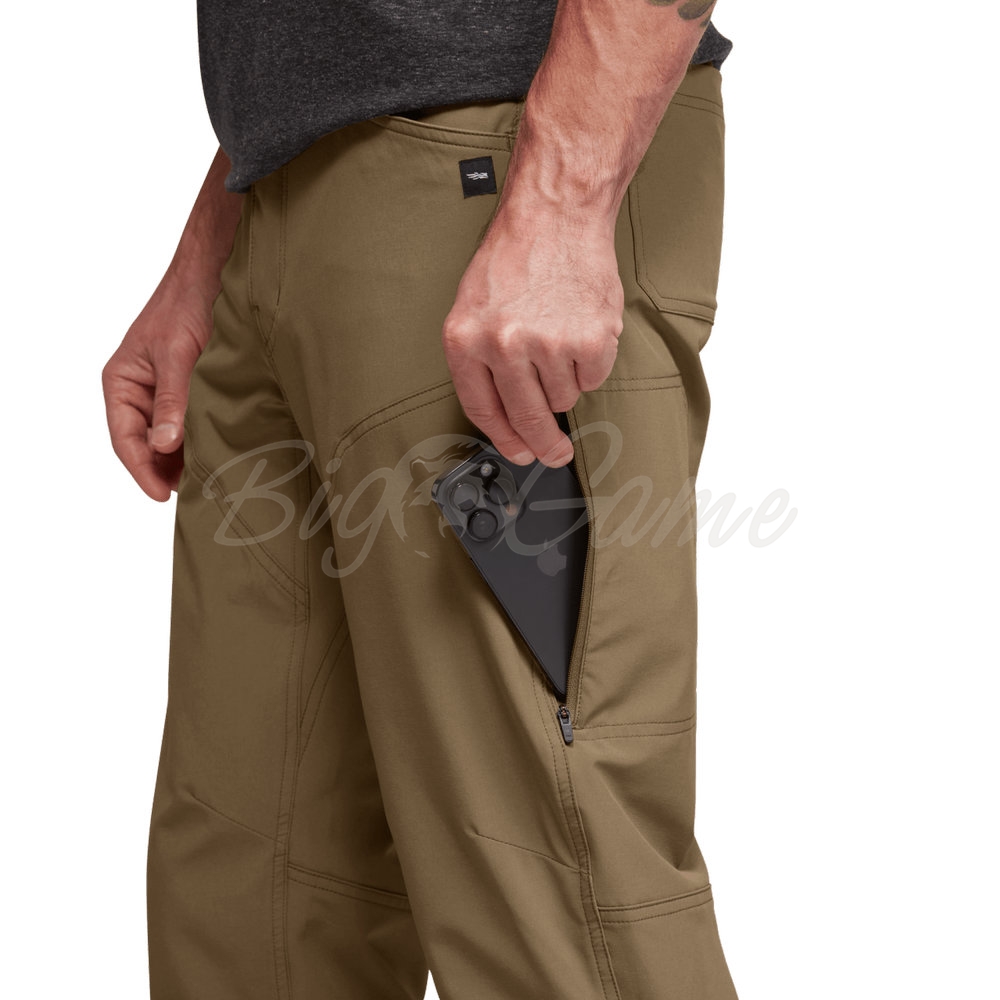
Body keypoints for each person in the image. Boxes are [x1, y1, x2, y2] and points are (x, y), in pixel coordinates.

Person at [102, 2, 738, 997]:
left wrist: (561, 199)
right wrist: (212, 248)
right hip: (280, 208)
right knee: (252, 902)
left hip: (502, 166)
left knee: (549, 893)